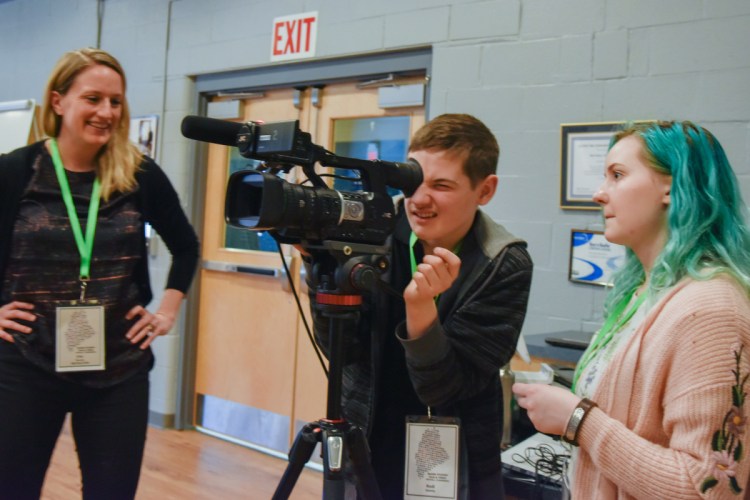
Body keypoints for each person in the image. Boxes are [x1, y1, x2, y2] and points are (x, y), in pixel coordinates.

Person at [0, 48, 199, 499]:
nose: (106, 112)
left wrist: (166, 313)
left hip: (118, 366)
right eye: (92, 98)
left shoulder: (138, 174)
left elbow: (186, 247)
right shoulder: (16, 171)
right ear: (58, 102)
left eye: (115, 101)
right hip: (25, 362)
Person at [513, 121, 750, 499]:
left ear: (673, 186)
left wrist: (578, 420)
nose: (599, 194)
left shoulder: (709, 309)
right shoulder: (647, 291)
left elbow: (707, 487)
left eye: (618, 176)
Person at [305, 114, 533, 498]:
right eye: (412, 181)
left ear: (485, 190)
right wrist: (320, 270)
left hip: (452, 459)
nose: (419, 199)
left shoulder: (503, 264)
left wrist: (421, 309)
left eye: (442, 186)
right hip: (367, 440)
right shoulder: (369, 234)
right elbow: (341, 351)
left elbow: (443, 388)